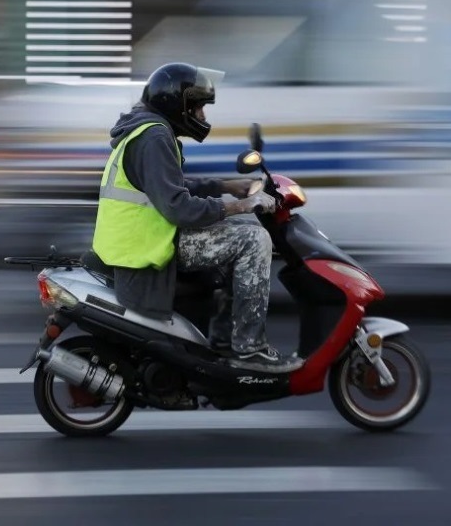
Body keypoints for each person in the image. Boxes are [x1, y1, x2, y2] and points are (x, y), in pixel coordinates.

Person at [91, 62, 303, 372]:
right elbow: (178, 206)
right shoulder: (154, 137)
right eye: (199, 108)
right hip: (147, 246)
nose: (202, 117)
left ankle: (221, 338)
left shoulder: (147, 130)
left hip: (139, 240)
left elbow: (168, 186)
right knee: (254, 238)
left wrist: (226, 186)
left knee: (237, 232)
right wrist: (240, 206)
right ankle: (249, 349)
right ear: (177, 103)